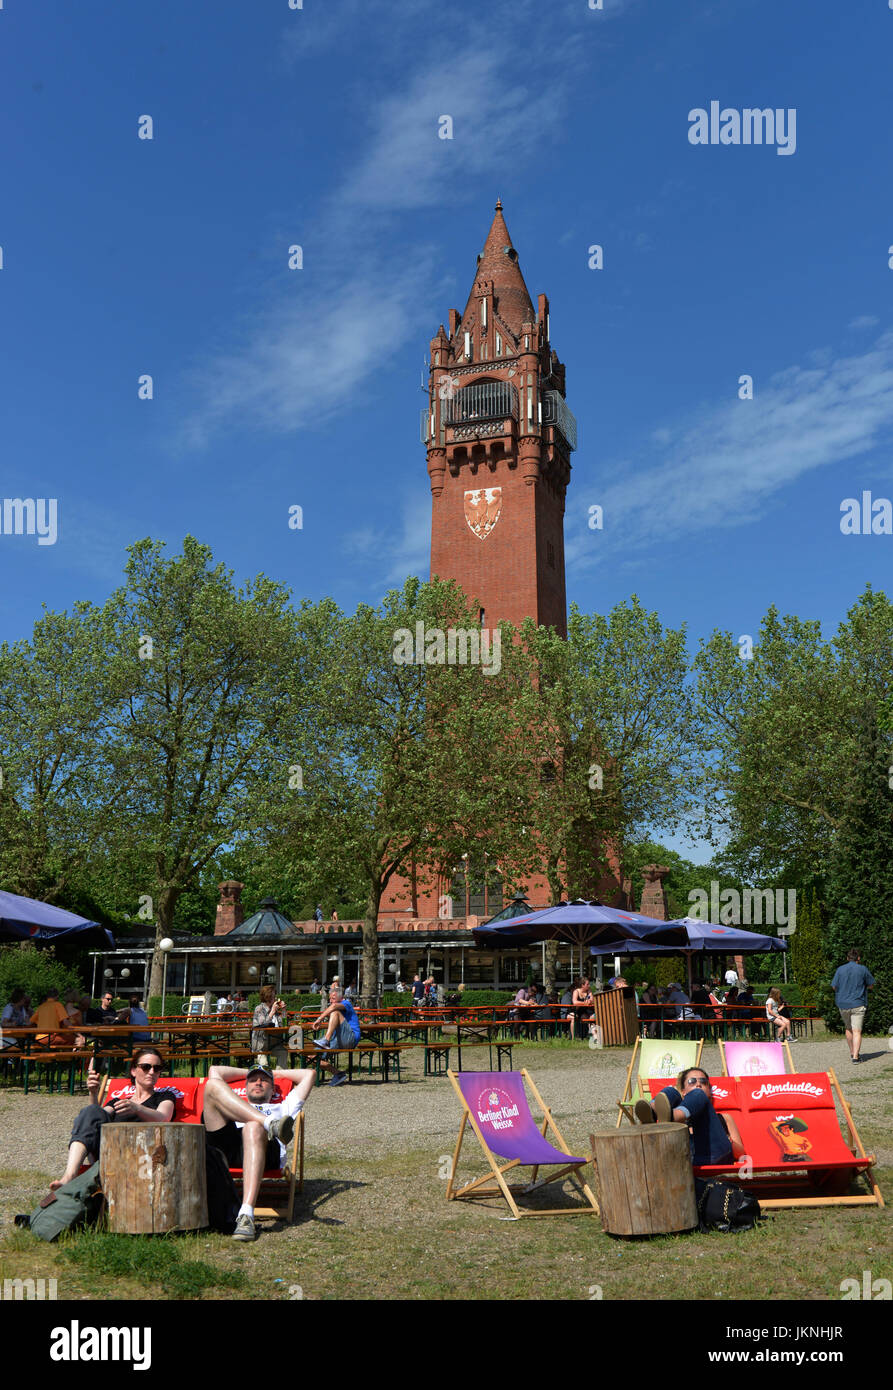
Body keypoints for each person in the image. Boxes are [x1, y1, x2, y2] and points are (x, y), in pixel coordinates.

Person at [202, 1063, 315, 1241]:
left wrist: (274, 1073)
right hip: (229, 1149)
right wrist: (253, 1071)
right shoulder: (233, 1104)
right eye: (253, 1080)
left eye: (264, 1080)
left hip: (265, 1149)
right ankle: (270, 1123)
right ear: (245, 1088)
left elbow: (309, 1074)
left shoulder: (284, 1107)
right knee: (211, 1086)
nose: (258, 1082)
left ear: (273, 1089)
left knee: (253, 1126)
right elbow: (214, 1071)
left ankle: (246, 1215)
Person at [50, 1046, 178, 1191]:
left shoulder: (165, 1097)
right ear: (133, 1071)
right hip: (109, 1152)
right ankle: (69, 1176)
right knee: (90, 1111)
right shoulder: (119, 1101)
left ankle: (75, 1178)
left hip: (141, 1155)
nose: (152, 1072)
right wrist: (93, 1093)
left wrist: (137, 1108)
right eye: (146, 1067)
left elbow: (163, 1117)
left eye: (157, 1068)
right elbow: (94, 1119)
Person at [635, 1065, 744, 1168]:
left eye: (703, 1082)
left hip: (716, 1156)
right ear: (683, 1091)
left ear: (710, 1091)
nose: (698, 1084)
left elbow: (741, 1154)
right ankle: (652, 1111)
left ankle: (672, 1116)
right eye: (692, 1081)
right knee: (670, 1091)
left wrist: (727, 1138)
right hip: (685, 1160)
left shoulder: (724, 1118)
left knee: (698, 1093)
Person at [831, 948, 876, 1064]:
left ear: (847, 958)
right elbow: (871, 985)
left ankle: (852, 1052)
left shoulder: (840, 969)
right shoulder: (863, 969)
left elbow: (834, 986)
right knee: (857, 1031)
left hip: (843, 1004)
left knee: (848, 1028)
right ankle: (856, 1057)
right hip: (858, 1003)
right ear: (859, 958)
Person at [311, 985, 361, 1085]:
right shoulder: (337, 1009)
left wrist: (319, 1019)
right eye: (330, 998)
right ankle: (338, 1074)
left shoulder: (346, 1003)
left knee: (335, 1012)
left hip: (351, 1038)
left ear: (340, 998)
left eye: (333, 998)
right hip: (338, 1039)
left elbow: (333, 1007)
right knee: (311, 1057)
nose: (331, 1000)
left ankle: (325, 1040)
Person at [250, 985, 287, 1065]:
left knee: (283, 1052)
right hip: (260, 1046)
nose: (276, 998)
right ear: (268, 996)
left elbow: (283, 1025)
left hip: (274, 1044)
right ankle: (265, 1076)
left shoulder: (276, 1010)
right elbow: (262, 1025)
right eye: (274, 995)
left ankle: (279, 1076)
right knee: (264, 1063)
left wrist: (283, 1011)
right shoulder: (259, 1009)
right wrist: (272, 1012)